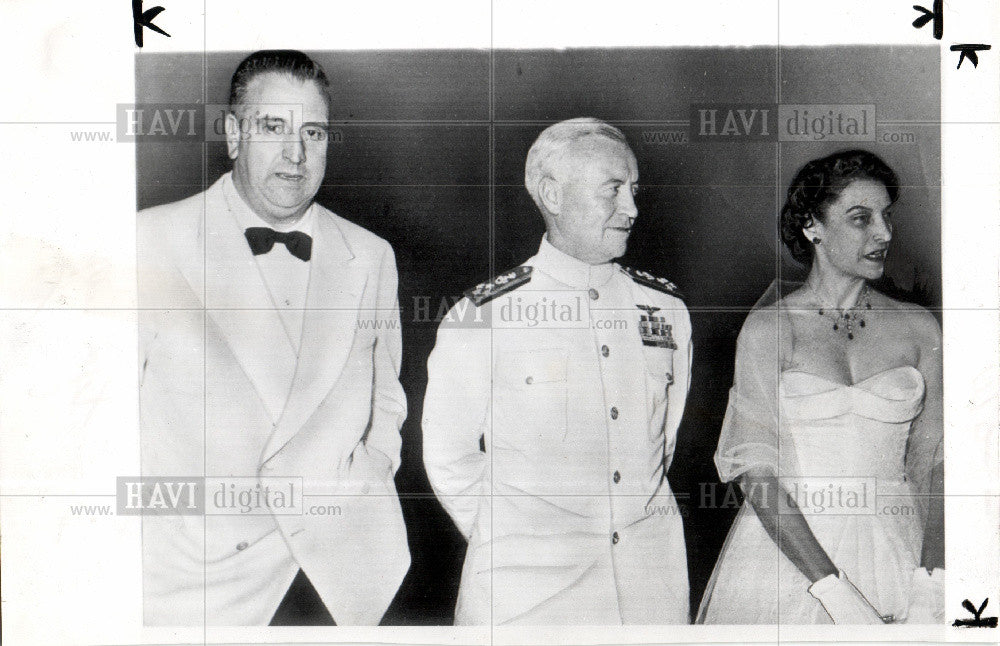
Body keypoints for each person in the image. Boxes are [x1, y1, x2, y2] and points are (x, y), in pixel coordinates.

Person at [137, 50, 409, 625]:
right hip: (198, 580)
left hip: (343, 573)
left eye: (314, 131)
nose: (296, 153)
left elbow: (387, 400)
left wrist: (367, 478)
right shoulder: (151, 240)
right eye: (273, 127)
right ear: (234, 135)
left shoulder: (372, 255)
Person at [422, 118, 693, 625]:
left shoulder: (664, 310)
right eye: (613, 190)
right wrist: (515, 543)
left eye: (634, 190)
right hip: (526, 603)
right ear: (552, 193)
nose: (632, 209)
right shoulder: (484, 314)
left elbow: (662, 445)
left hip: (649, 591)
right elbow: (448, 457)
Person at [697, 150, 944, 624]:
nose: (884, 234)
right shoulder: (771, 328)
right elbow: (756, 476)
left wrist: (933, 584)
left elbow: (937, 467)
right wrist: (837, 595)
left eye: (886, 217)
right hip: (790, 556)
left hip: (903, 551)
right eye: (860, 219)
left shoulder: (919, 328)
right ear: (813, 225)